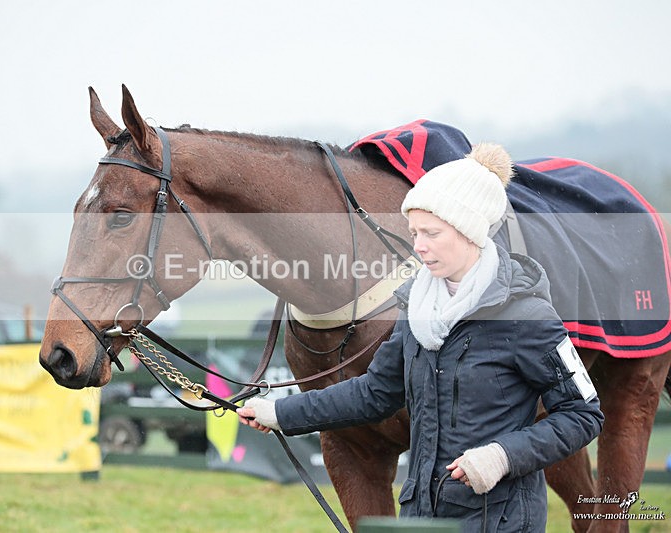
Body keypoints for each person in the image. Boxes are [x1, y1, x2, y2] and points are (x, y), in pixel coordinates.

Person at [237, 143, 604, 532]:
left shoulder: (528, 317)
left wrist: (501, 456)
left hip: (501, 520)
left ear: (469, 232)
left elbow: (583, 415)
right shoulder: (416, 310)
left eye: (431, 233)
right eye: (414, 232)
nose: (419, 246)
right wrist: (279, 412)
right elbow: (374, 393)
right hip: (423, 518)